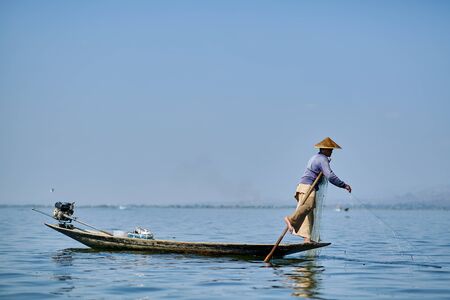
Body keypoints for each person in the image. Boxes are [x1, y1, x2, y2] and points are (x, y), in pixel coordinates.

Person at [284, 137, 352, 244]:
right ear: (323, 149)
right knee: (309, 206)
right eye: (330, 149)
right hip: (307, 186)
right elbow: (330, 176)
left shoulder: (316, 157)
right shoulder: (322, 159)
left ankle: (307, 239)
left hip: (303, 186)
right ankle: (290, 219)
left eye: (332, 150)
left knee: (309, 213)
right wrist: (343, 185)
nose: (331, 151)